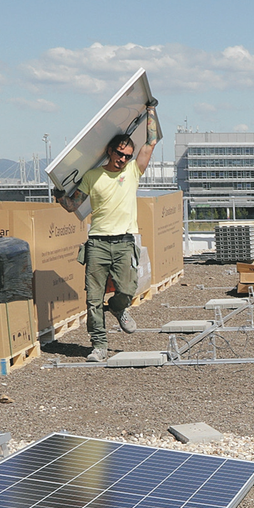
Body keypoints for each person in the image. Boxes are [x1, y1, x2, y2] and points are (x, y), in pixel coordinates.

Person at [59, 127, 154, 362]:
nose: (123, 159)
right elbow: (72, 206)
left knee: (127, 289)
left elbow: (150, 142)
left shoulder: (133, 171)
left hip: (124, 240)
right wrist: (60, 194)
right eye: (120, 154)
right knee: (93, 298)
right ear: (110, 152)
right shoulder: (92, 176)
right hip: (98, 243)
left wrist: (150, 109)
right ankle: (99, 345)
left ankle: (117, 306)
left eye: (127, 156)